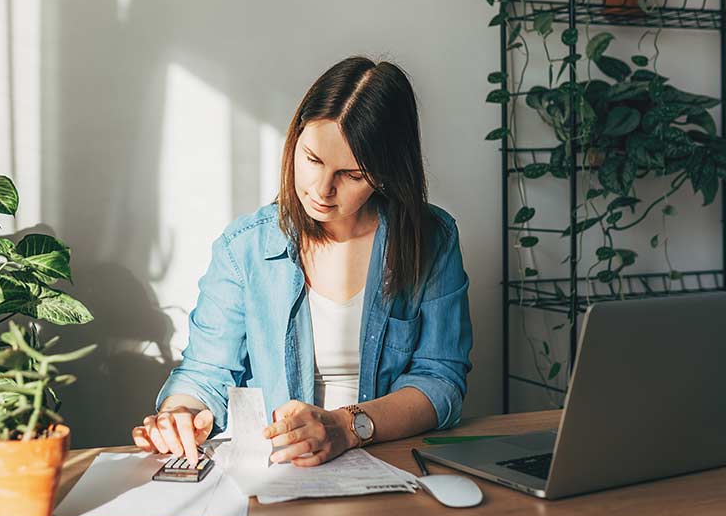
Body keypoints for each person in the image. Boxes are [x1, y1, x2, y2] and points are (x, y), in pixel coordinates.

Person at [131, 56, 472, 467]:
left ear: (385, 174)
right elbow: (206, 372)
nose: (322, 189)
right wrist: (179, 415)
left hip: (390, 460)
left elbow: (440, 380)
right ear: (295, 140)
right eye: (312, 160)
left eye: (351, 174)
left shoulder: (431, 239)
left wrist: (347, 428)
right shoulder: (245, 249)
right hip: (280, 470)